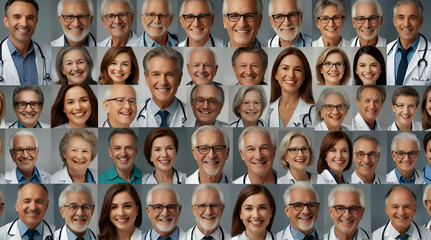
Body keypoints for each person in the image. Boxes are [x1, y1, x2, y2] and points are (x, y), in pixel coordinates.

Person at [1, 0, 51, 85]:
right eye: (17, 17)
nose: (24, 24)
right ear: (6, 21)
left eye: (30, 18)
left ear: (36, 22)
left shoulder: (50, 55)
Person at [135, 47, 187, 127]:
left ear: (179, 78)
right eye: (156, 74)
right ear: (147, 79)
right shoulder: (132, 114)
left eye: (169, 75)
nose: (163, 82)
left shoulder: (192, 114)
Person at [266, 47, 315, 127]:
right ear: (276, 74)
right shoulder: (266, 111)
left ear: (304, 76)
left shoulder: (314, 113)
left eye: (297, 70)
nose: (291, 75)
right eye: (285, 68)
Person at [387, 0, 431, 85]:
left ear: (420, 22)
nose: (406, 24)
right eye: (401, 18)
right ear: (394, 22)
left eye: (412, 18)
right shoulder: (387, 50)